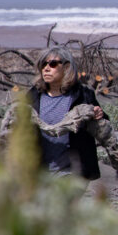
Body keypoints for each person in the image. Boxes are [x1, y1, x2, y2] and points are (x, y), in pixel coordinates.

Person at [29, 46, 106, 179]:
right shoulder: (33, 96)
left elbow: (103, 125)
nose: (46, 69)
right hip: (40, 172)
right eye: (43, 64)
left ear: (66, 67)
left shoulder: (83, 95)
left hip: (72, 171)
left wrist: (100, 115)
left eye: (52, 64)